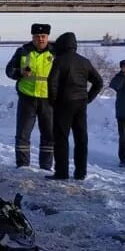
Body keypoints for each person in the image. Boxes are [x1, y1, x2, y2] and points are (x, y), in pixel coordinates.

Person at [46, 32, 103, 181]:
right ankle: (80, 172)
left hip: (63, 104)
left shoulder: (59, 61)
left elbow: (51, 83)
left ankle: (62, 172)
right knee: (81, 139)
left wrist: (53, 101)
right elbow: (99, 82)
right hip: (80, 103)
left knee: (61, 139)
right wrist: (88, 98)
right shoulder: (85, 62)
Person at [4, 23, 54, 170]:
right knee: (23, 134)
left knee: (49, 135)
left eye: (43, 36)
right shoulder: (23, 51)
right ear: (32, 37)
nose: (40, 39)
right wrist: (20, 72)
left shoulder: (55, 53)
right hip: (27, 98)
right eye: (37, 36)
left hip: (48, 99)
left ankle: (45, 166)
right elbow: (9, 71)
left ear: (47, 37)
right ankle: (22, 165)